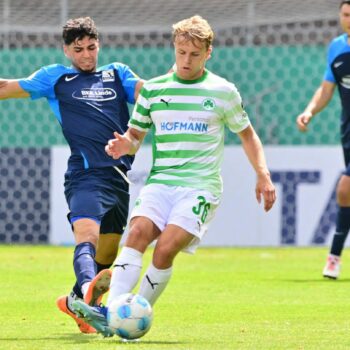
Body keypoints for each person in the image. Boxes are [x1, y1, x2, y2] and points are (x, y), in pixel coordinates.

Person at [72, 15, 276, 337]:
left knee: (165, 248)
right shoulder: (154, 90)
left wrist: (262, 174)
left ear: (208, 53)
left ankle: (133, 312)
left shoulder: (223, 92)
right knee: (137, 234)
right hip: (160, 183)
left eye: (194, 54)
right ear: (174, 48)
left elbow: (248, 135)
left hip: (200, 188)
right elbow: (135, 135)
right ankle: (112, 315)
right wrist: (124, 144)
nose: (186, 60)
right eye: (181, 52)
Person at [0, 17, 143, 333]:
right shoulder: (56, 78)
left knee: (107, 255)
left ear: (99, 46)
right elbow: (5, 87)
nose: (87, 56)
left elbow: (149, 92)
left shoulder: (117, 74)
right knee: (88, 237)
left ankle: (76, 300)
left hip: (119, 179)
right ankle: (90, 293)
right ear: (67, 50)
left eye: (91, 48)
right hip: (85, 175)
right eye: (78, 50)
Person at [296, 1, 350, 279]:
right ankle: (335, 257)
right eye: (346, 14)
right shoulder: (337, 48)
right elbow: (327, 89)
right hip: (348, 132)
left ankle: (333, 257)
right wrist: (309, 111)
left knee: (345, 188)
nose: (349, 19)